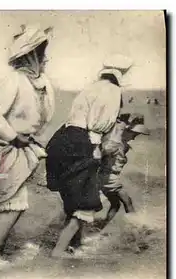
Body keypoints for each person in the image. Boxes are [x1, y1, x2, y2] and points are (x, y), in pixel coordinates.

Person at [0, 24, 55, 257]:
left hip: (20, 146)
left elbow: (41, 118)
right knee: (15, 202)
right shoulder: (14, 80)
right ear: (32, 54)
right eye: (42, 52)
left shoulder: (42, 81)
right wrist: (15, 137)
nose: (46, 57)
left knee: (48, 187)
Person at [45, 54, 133, 258]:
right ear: (122, 74)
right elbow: (99, 126)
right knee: (86, 202)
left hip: (61, 139)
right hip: (83, 142)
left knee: (74, 200)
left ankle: (73, 245)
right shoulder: (113, 91)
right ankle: (58, 251)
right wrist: (97, 151)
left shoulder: (90, 88)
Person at [95, 113, 150, 230]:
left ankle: (100, 227)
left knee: (116, 204)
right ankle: (137, 229)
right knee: (127, 201)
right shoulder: (116, 144)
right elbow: (100, 156)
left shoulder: (119, 144)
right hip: (109, 177)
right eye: (134, 134)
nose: (135, 137)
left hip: (105, 177)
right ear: (126, 130)